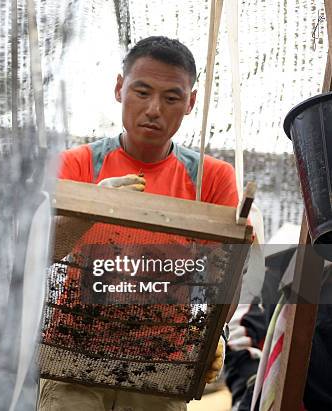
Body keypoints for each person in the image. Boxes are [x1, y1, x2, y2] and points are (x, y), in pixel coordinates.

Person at [39, 36, 240, 411]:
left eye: (171, 98)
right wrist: (93, 206)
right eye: (142, 91)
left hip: (160, 367)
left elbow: (229, 272)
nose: (154, 109)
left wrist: (217, 332)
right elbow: (41, 253)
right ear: (120, 89)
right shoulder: (77, 165)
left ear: (191, 102)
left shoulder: (210, 178)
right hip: (74, 359)